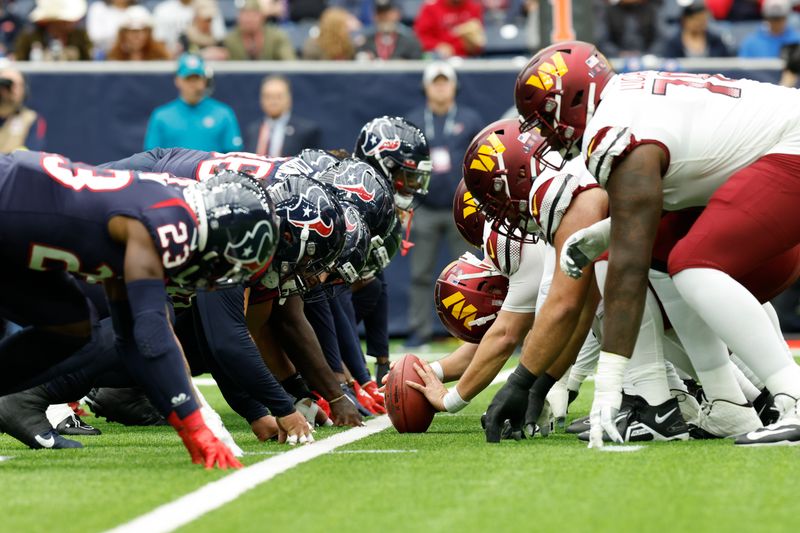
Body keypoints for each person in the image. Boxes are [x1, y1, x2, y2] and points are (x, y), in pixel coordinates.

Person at [510, 40, 800, 446]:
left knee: (695, 263)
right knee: (668, 260)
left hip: (792, 149)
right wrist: (604, 234)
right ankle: (729, 403)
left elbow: (629, 267)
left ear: (571, 99)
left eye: (543, 120)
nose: (544, 135)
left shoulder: (613, 130)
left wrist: (608, 388)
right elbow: (686, 178)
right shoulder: (629, 97)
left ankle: (793, 397)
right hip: (780, 148)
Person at [0, 149, 281, 465]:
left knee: (73, 328)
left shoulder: (167, 208)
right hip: (9, 207)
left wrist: (187, 423)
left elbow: (132, 339)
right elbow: (151, 331)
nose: (215, 281)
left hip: (17, 225)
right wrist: (194, 425)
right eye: (223, 264)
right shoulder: (167, 223)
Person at [404, 62, 483, 348]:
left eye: (445, 82)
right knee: (420, 273)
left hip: (459, 208)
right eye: (435, 82)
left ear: (453, 86)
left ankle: (470, 329)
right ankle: (418, 330)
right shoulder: (414, 120)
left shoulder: (469, 119)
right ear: (426, 87)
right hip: (424, 207)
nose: (440, 87)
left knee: (469, 274)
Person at [144, 54, 243, 152]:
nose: (192, 84)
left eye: (196, 78)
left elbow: (233, 155)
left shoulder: (223, 114)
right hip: (172, 168)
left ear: (204, 80)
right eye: (188, 78)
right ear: (177, 80)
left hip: (211, 168)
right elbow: (151, 157)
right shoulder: (161, 116)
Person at [245, 75, 321, 157]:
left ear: (289, 98)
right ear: (261, 99)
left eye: (278, 96)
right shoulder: (253, 130)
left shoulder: (306, 131)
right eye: (268, 96)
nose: (273, 101)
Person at [14, 0, 93, 61]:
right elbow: (19, 61)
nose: (73, 23)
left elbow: (90, 61)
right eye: (65, 21)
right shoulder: (30, 36)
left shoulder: (80, 36)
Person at [224, 0, 296, 61]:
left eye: (253, 15)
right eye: (245, 14)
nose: (249, 19)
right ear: (238, 17)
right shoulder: (229, 39)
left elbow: (290, 63)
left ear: (262, 16)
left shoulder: (277, 37)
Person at [414, 0, 485, 58]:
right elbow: (420, 37)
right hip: (438, 58)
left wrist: (474, 43)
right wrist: (438, 46)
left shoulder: (474, 7)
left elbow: (478, 44)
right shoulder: (430, 8)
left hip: (466, 58)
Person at [660, 1, 732, 58]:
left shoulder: (716, 42)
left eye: (703, 20)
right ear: (685, 20)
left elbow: (725, 64)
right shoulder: (673, 43)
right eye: (696, 20)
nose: (699, 23)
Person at [153, 0, 226, 57]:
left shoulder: (207, 5)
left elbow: (222, 45)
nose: (208, 24)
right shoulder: (184, 38)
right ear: (196, 18)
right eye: (206, 20)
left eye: (210, 20)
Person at [356, 0, 423, 60]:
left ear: (397, 14)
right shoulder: (365, 41)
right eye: (380, 14)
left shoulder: (410, 40)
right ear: (374, 16)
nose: (384, 18)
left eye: (388, 14)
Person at [0, 67, 47, 153]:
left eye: (17, 85)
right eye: (6, 84)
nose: (11, 90)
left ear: (24, 90)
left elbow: (32, 155)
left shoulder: (31, 119)